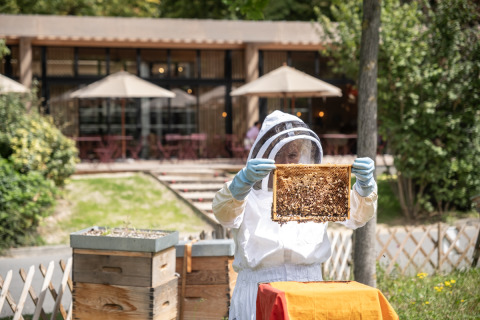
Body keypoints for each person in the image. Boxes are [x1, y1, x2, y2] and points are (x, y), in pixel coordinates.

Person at [212, 110, 377, 320]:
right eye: (276, 154)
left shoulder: (316, 189)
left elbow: (356, 217)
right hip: (258, 290)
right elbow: (224, 214)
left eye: (292, 155)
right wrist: (241, 183)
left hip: (308, 291)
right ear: (262, 154)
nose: (284, 162)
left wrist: (364, 188)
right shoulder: (245, 191)